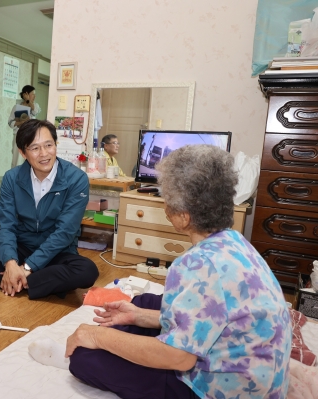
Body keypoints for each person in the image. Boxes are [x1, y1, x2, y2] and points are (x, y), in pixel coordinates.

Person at [32, 145, 292, 398]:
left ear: (184, 217)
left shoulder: (196, 265)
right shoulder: (235, 241)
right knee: (143, 303)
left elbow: (179, 358)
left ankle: (96, 352)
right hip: (256, 374)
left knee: (85, 359)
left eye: (167, 200)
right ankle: (126, 340)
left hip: (216, 388)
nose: (165, 208)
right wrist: (140, 317)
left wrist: (96, 336)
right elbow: (209, 315)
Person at [0, 119, 99, 299]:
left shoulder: (76, 179)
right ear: (23, 152)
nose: (44, 154)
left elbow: (65, 232)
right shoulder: (12, 178)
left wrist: (28, 266)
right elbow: (6, 225)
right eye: (35, 148)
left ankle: (5, 279)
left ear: (56, 144)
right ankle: (29, 279)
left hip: (57, 251)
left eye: (49, 145)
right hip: (22, 246)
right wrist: (10, 261)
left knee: (87, 271)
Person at [8, 85, 41, 168]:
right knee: (17, 158)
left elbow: (35, 112)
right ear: (25, 94)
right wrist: (20, 122)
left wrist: (28, 101)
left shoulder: (35, 106)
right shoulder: (16, 107)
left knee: (30, 158)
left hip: (31, 136)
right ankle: (15, 179)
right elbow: (10, 122)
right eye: (33, 94)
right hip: (18, 135)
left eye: (35, 94)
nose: (35, 96)